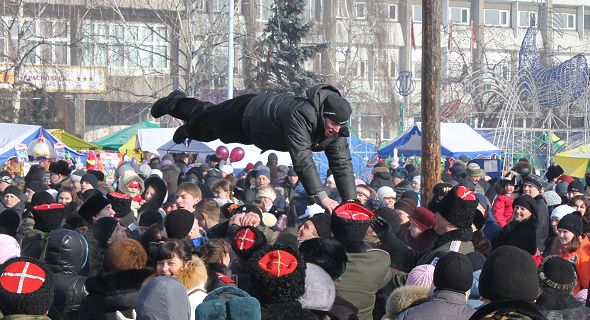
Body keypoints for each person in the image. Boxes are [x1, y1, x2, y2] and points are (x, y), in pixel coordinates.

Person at [151, 84, 356, 213]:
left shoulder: (336, 129)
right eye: (333, 123)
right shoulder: (302, 115)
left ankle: (189, 131)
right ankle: (175, 102)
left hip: (255, 133)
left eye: (340, 125)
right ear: (322, 114)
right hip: (248, 112)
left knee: (213, 133)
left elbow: (342, 164)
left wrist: (352, 201)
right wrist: (323, 197)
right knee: (204, 115)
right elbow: (302, 159)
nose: (336, 129)